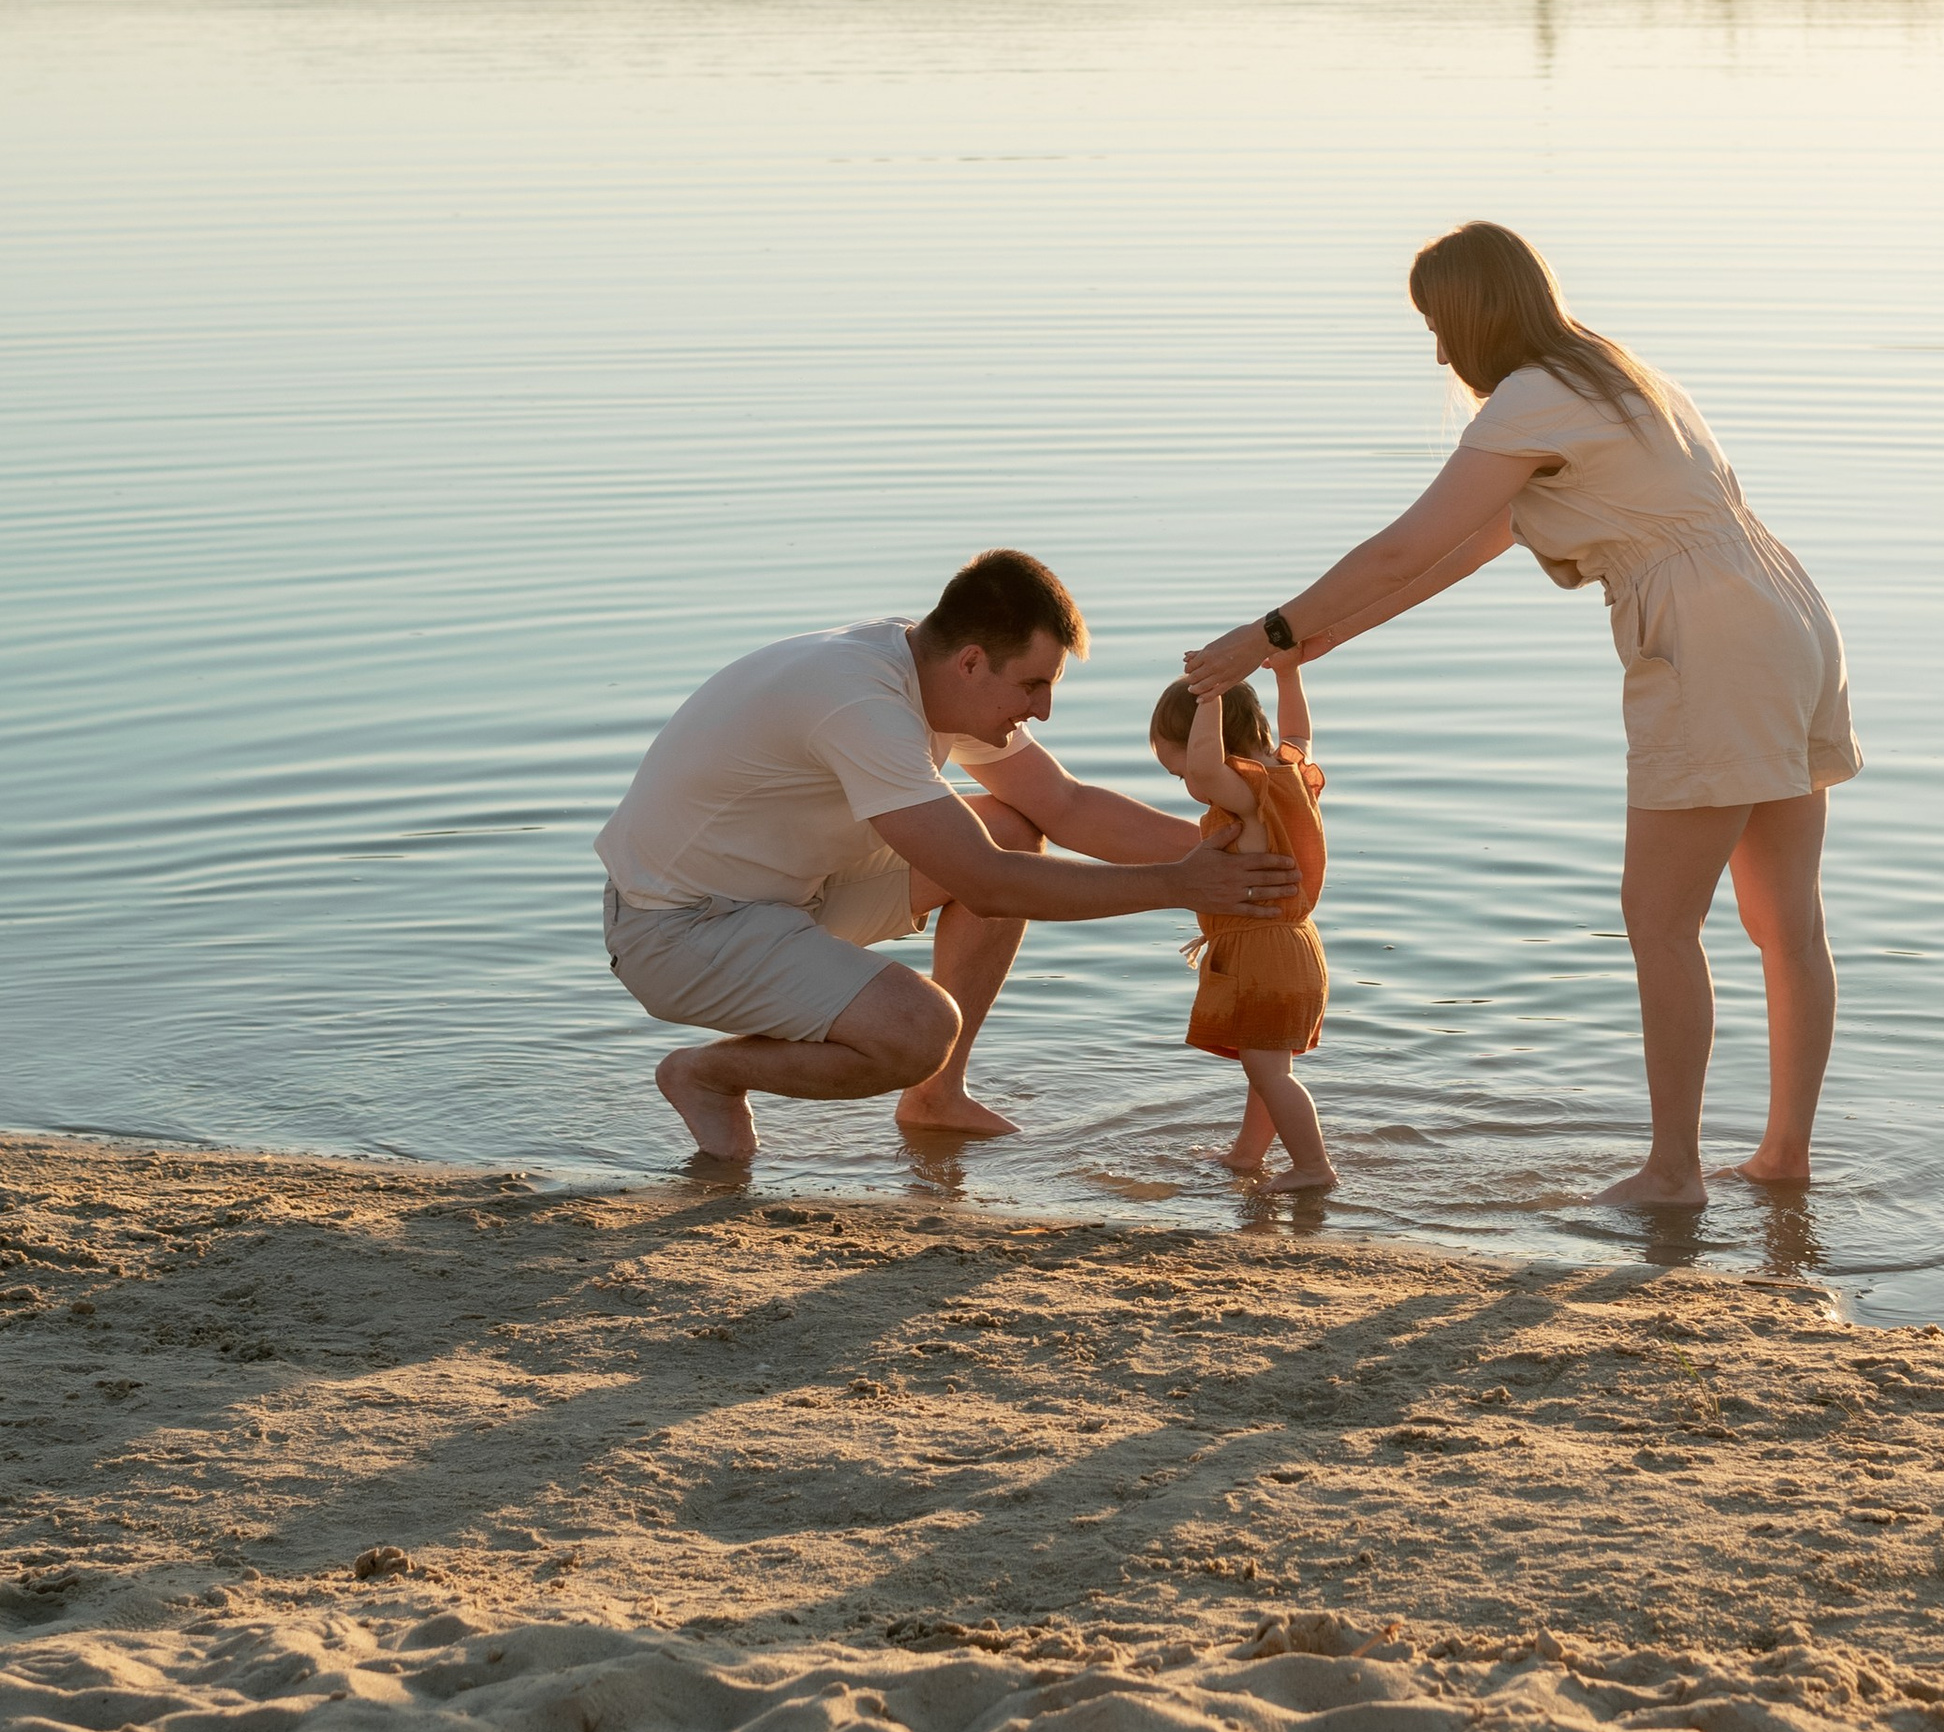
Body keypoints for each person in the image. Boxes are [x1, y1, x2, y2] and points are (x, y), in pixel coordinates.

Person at [1185, 223, 1858, 1207]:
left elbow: (1400, 543)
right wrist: (1322, 640)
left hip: (1705, 640)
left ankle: (1674, 1172)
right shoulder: (1614, 377)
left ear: (1469, 316)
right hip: (1784, 614)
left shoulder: (1527, 400)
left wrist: (1264, 633)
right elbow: (1465, 546)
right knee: (1786, 925)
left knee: (1658, 920)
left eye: (1434, 326)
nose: (1436, 352)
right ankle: (1782, 1158)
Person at [597, 546, 1302, 1164]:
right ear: (971, 662)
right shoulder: (860, 702)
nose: (1044, 709)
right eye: (1033, 684)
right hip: (681, 930)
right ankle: (708, 1074)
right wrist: (1183, 886)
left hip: (791, 896)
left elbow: (1064, 805)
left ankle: (935, 1100)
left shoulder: (928, 671)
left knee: (1013, 825)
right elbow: (988, 884)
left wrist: (1247, 856)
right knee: (918, 1026)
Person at [1149, 662, 1333, 1190]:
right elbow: (1298, 732)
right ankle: (1247, 1156)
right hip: (1297, 945)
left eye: (1177, 771)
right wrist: (1288, 673)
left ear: (1210, 744)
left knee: (1269, 1072)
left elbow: (1207, 768)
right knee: (1267, 1070)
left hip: (1263, 952)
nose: (1187, 782)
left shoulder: (1245, 798)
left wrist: (1208, 695)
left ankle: (1313, 1167)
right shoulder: (1288, 775)